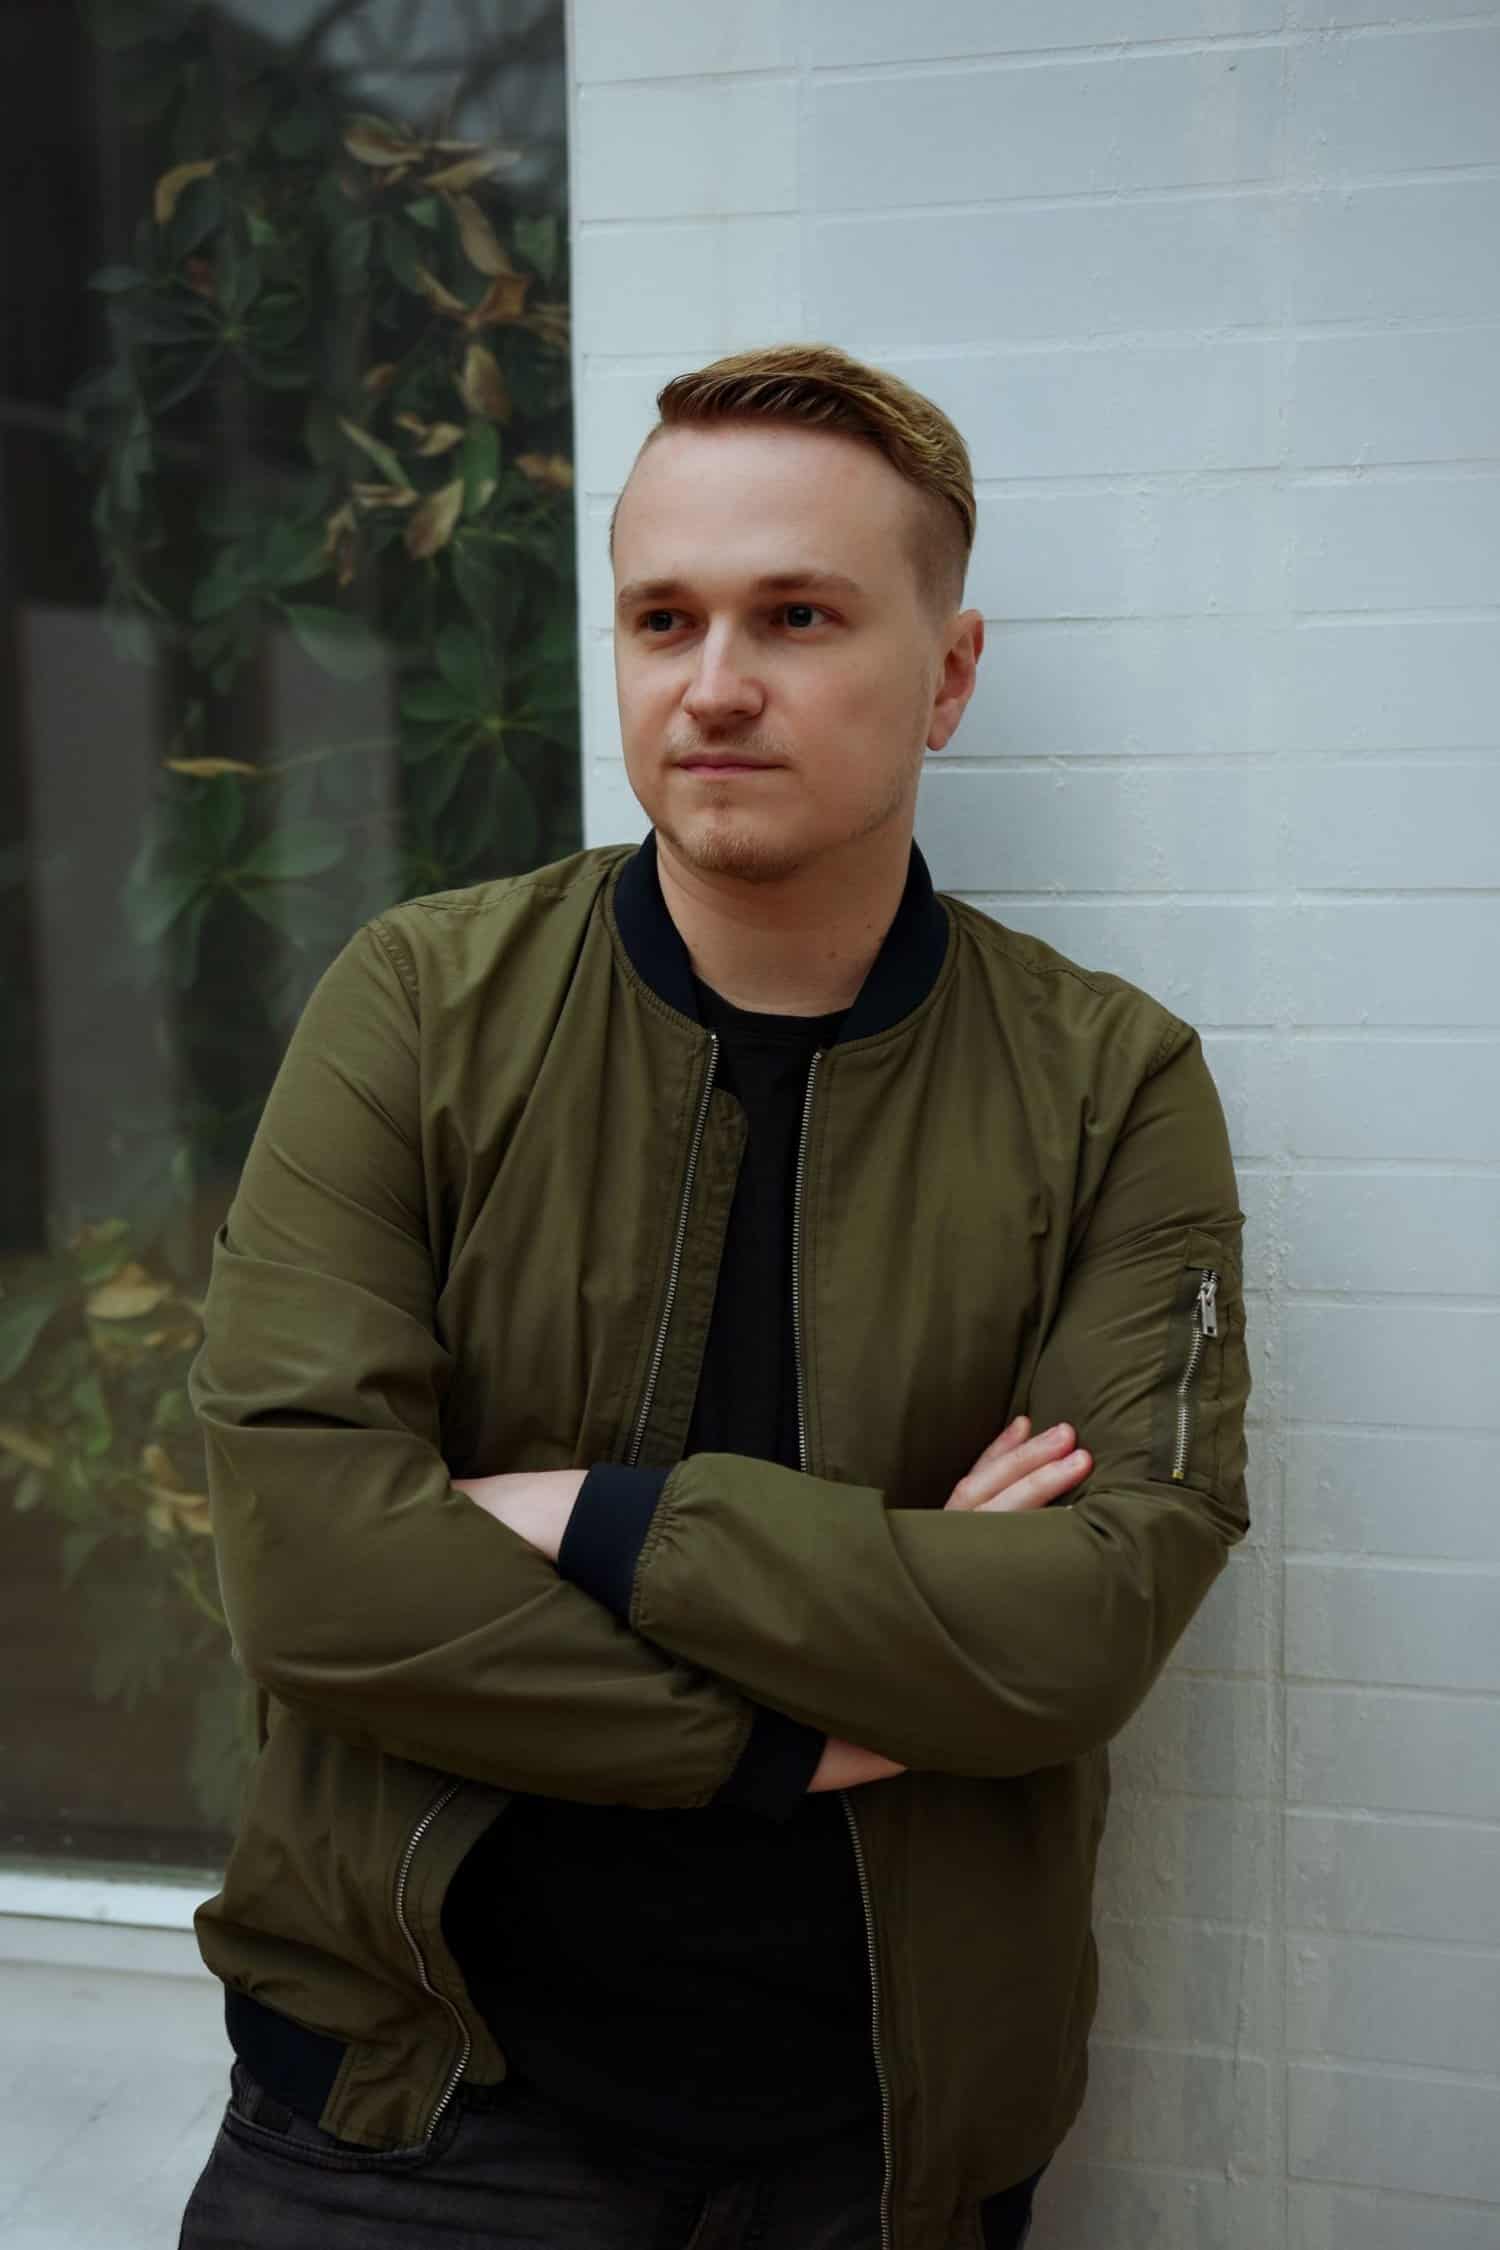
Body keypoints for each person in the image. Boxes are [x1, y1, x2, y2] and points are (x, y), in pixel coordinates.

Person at [178, 342, 1250, 2250]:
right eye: (663, 618)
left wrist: (598, 1518)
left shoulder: (1112, 1087)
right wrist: (801, 1725)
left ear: (950, 673)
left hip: (885, 2151)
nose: (716, 682)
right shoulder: (418, 1007)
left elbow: (1087, 1622)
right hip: (407, 2118)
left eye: (798, 616)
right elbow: (310, 1568)